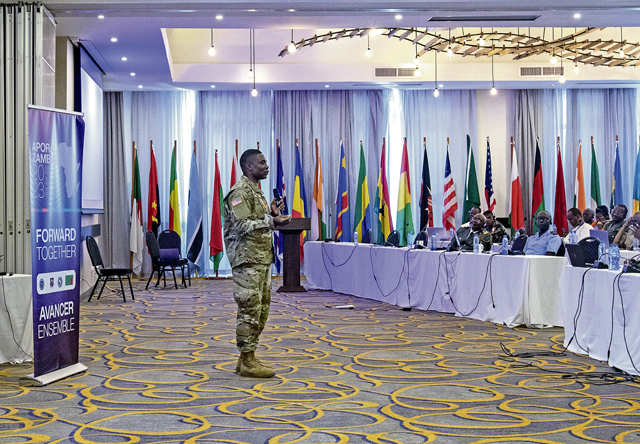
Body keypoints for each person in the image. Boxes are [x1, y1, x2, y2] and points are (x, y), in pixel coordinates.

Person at [223, 149, 291, 378]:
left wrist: (271, 213)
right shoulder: (239, 192)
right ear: (248, 167)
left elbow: (255, 220)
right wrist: (272, 221)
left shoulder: (256, 191)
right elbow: (241, 225)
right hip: (247, 260)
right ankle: (248, 360)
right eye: (262, 163)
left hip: (260, 258)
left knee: (261, 311)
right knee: (249, 309)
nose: (266, 166)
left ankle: (246, 357)